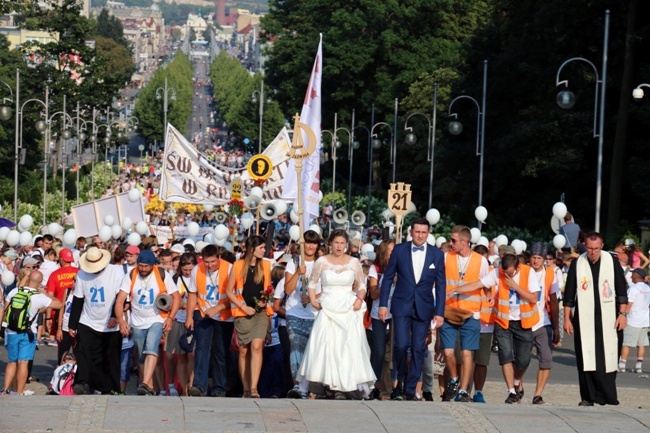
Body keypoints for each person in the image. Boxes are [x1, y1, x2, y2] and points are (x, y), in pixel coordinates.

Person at [297, 229, 375, 399]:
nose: (339, 246)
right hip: (327, 305)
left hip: (348, 307)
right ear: (330, 243)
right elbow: (312, 283)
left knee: (347, 346)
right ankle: (327, 385)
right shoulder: (322, 261)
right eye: (336, 242)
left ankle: (344, 385)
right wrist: (313, 300)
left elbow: (362, 286)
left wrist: (358, 301)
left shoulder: (354, 262)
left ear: (346, 245)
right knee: (326, 345)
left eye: (342, 243)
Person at [457, 248, 539, 404]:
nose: (506, 276)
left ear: (518, 267)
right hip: (503, 321)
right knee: (505, 356)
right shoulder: (498, 272)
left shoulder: (528, 272)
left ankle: (516, 381)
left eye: (511, 273)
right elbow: (478, 284)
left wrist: (515, 285)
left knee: (523, 361)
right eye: (504, 273)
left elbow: (533, 298)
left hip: (524, 322)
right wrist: (455, 290)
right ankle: (511, 391)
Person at [379, 217, 446, 401]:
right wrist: (383, 304)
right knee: (400, 346)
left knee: (418, 348)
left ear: (428, 233)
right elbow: (388, 277)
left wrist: (439, 312)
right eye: (417, 232)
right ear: (410, 232)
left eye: (424, 232)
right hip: (401, 305)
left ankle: (410, 389)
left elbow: (441, 285)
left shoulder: (436, 254)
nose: (420, 235)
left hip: (424, 307)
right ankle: (401, 378)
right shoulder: (400, 250)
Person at [564, 232, 628, 406]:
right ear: (584, 246)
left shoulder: (611, 261)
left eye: (596, 248)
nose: (592, 252)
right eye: (589, 248)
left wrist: (623, 315)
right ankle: (587, 397)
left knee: (608, 356)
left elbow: (622, 291)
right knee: (586, 357)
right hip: (584, 318)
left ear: (602, 246)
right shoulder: (578, 263)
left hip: (610, 318)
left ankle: (606, 395)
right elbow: (569, 294)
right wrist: (567, 319)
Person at [115, 250, 180, 396]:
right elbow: (120, 300)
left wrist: (170, 318)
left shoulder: (162, 274)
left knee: (151, 347)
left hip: (157, 318)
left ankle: (144, 383)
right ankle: (149, 385)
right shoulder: (131, 275)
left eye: (147, 266)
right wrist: (121, 320)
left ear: (153, 265)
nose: (143, 269)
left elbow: (176, 297)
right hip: (137, 321)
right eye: (141, 265)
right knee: (141, 355)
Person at [441, 225, 489, 402]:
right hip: (449, 311)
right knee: (447, 352)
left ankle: (463, 391)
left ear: (464, 241)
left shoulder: (480, 261)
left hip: (470, 312)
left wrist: (489, 298)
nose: (450, 243)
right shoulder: (447, 257)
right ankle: (454, 377)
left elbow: (486, 283)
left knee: (467, 353)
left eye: (453, 240)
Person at [68, 247, 124, 395]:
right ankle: (83, 382)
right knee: (83, 352)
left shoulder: (116, 271)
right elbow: (78, 298)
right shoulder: (81, 274)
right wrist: (72, 324)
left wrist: (115, 316)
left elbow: (121, 296)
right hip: (88, 320)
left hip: (109, 321)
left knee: (109, 357)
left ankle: (109, 387)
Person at [226, 236, 274, 399]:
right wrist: (242, 307)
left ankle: (254, 388)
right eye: (261, 247)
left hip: (259, 313)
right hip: (242, 313)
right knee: (244, 350)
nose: (264, 250)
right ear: (252, 249)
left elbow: (269, 288)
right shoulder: (238, 266)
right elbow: (229, 291)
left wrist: (264, 300)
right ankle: (246, 388)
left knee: (257, 346)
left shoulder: (266, 265)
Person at [2, 271, 63, 395]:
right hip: (28, 332)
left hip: (11, 331)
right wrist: (45, 293)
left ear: (28, 279)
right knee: (23, 362)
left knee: (12, 362)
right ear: (40, 283)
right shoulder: (39, 297)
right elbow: (59, 304)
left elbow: (6, 308)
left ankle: (5, 390)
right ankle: (19, 392)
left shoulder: (15, 291)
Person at [186, 245, 234, 397]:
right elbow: (192, 294)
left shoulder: (230, 269)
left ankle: (219, 387)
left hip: (224, 316)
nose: (210, 265)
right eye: (207, 262)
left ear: (219, 258)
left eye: (213, 261)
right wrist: (189, 317)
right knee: (201, 349)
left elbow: (236, 297)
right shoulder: (197, 269)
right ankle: (199, 385)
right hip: (203, 312)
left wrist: (219, 307)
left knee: (221, 351)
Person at [282, 230, 321, 399]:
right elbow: (288, 290)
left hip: (314, 313)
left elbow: (327, 289)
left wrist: (312, 297)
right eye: (308, 242)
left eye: (314, 243)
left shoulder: (322, 264)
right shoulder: (294, 262)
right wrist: (298, 272)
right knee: (296, 347)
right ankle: (297, 385)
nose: (311, 246)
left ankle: (311, 387)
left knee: (312, 351)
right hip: (295, 312)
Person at [528, 242, 560, 405]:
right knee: (521, 360)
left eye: (539, 258)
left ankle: (538, 394)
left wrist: (556, 328)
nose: (535, 261)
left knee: (546, 359)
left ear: (544, 260)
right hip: (524, 322)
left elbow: (553, 301)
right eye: (533, 257)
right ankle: (516, 387)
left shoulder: (549, 274)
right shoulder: (523, 272)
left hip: (543, 321)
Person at [45, 248, 79, 355]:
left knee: (63, 349)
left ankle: (62, 367)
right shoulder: (79, 273)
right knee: (78, 349)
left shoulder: (55, 274)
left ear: (61, 259)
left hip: (60, 314)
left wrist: (48, 317)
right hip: (79, 315)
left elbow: (50, 297)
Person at [618, 268, 650, 373]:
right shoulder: (648, 288)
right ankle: (638, 366)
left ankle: (622, 365)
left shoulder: (633, 288)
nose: (631, 277)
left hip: (633, 320)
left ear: (636, 276)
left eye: (632, 275)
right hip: (645, 321)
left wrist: (623, 315)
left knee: (626, 343)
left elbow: (629, 304)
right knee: (641, 344)